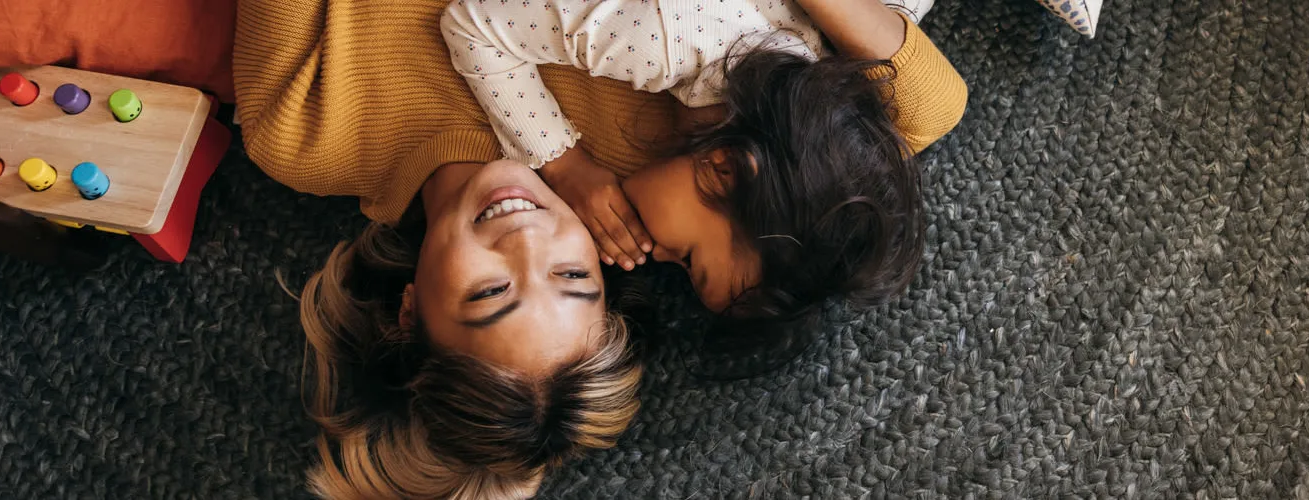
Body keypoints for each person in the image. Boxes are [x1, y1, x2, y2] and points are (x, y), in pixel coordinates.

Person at [234, 0, 965, 496]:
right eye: (572, 277)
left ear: (406, 311)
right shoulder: (665, 149)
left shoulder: (305, 133)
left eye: (490, 292)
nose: (526, 241)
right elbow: (925, 111)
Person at [440, 0, 941, 373]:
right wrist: (564, 161)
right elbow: (471, 27)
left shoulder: (828, 70)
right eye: (688, 259)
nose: (655, 253)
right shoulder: (666, 38)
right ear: (724, 170)